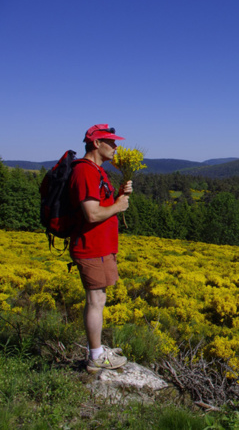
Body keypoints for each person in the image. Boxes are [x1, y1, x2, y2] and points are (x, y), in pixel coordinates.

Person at [70, 123, 131, 373]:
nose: (116, 147)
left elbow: (100, 202)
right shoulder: (85, 171)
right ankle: (95, 356)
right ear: (96, 143)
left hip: (102, 247)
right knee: (95, 300)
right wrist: (119, 207)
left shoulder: (97, 171)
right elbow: (92, 214)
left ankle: (97, 349)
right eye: (111, 142)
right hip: (90, 246)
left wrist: (118, 195)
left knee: (100, 299)